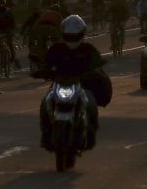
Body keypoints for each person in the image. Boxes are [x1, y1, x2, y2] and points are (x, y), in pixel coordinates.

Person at [39, 15, 104, 151]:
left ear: (82, 34)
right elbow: (46, 62)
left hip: (81, 85)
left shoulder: (88, 49)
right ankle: (45, 134)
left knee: (91, 103)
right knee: (45, 102)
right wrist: (44, 71)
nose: (72, 39)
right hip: (59, 84)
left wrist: (96, 72)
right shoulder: (56, 49)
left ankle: (91, 135)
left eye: (75, 36)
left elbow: (97, 63)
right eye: (69, 36)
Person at [0, 0, 19, 68]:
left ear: (5, 5)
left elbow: (13, 23)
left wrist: (12, 31)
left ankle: (12, 56)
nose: (1, 6)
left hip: (8, 30)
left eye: (2, 4)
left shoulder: (9, 12)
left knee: (9, 42)